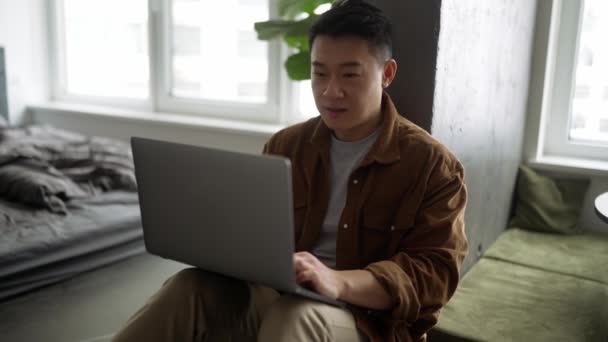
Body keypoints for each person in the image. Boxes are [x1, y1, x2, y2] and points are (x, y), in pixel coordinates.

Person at [112, 1, 468, 341]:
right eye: (319, 74)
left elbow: (434, 276)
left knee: (296, 317)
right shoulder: (287, 146)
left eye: (349, 74)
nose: (331, 91)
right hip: (280, 297)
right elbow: (257, 238)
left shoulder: (432, 165)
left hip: (368, 321)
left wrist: (337, 281)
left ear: (386, 73)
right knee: (190, 288)